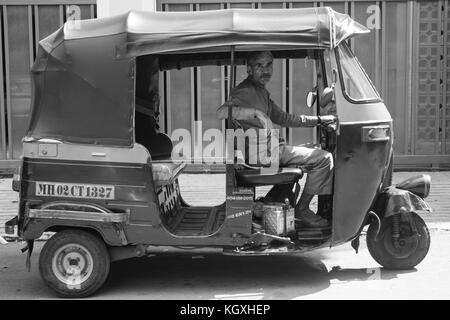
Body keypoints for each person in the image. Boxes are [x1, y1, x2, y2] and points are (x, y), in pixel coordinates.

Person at [217, 51, 336, 228]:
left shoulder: (260, 92)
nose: (266, 71)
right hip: (264, 155)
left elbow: (285, 118)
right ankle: (303, 209)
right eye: (259, 66)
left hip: (270, 150)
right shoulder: (246, 91)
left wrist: (319, 120)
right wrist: (256, 113)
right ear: (249, 69)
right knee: (324, 159)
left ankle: (272, 204)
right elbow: (221, 112)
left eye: (269, 65)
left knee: (313, 148)